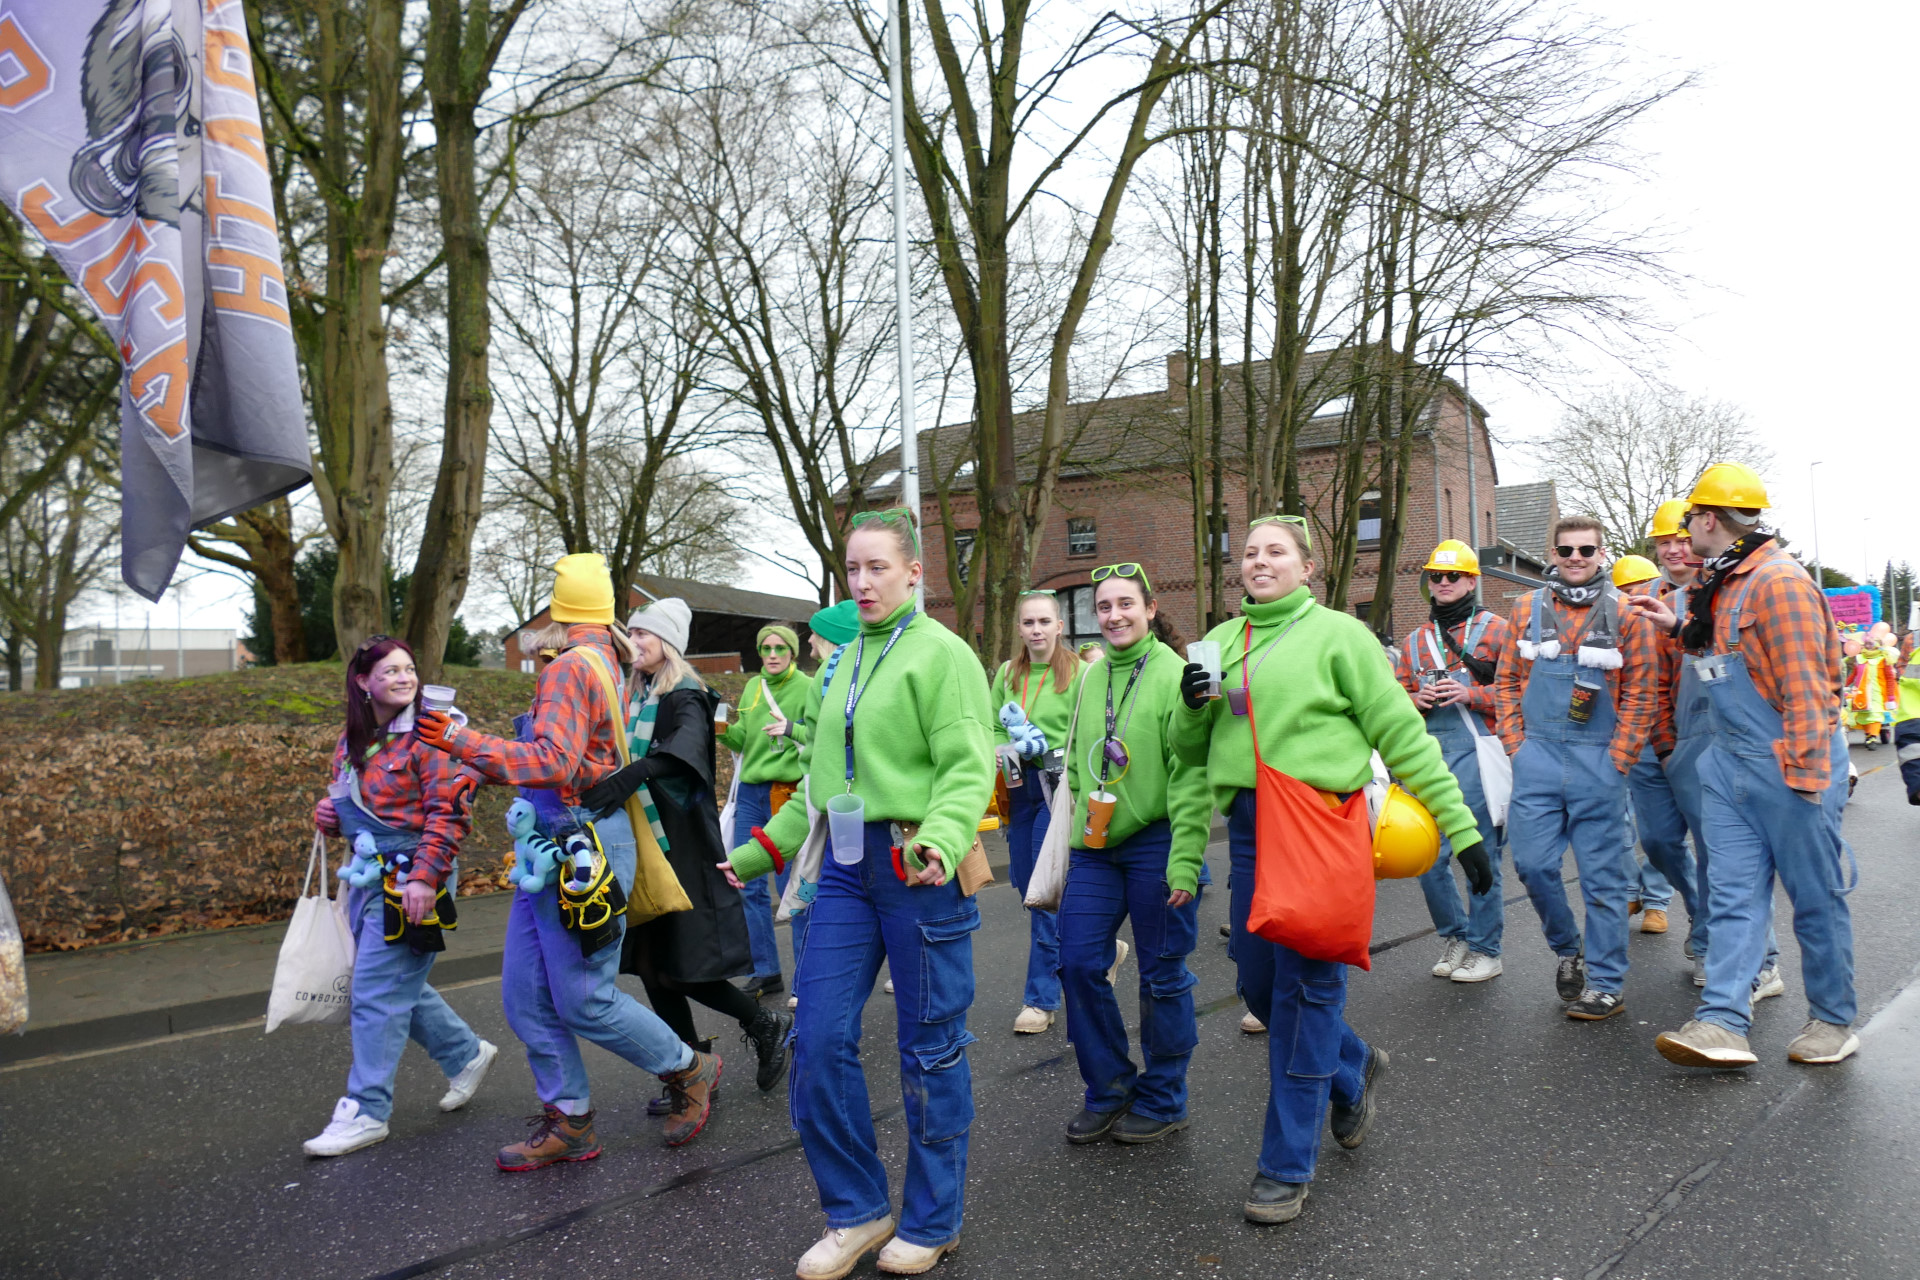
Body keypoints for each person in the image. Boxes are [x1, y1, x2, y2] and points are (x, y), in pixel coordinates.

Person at [1172, 516, 1487, 1226]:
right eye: (1249, 552)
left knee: (1305, 997)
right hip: (1250, 832)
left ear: (1307, 567)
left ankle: (1285, 1166)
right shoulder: (1219, 643)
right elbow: (1188, 754)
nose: (1259, 561)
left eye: (1276, 551)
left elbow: (1402, 735)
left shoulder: (1341, 636)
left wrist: (1461, 826)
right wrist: (1189, 709)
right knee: (1258, 985)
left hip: (1321, 827)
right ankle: (1352, 1069)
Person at [721, 508, 994, 1278]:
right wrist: (756, 853)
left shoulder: (942, 655)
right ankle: (858, 1210)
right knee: (818, 1040)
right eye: (854, 569)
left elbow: (967, 767)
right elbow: (818, 786)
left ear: (914, 572)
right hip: (842, 870)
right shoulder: (841, 662)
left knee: (930, 1048)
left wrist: (941, 838)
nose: (864, 582)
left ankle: (933, 1219)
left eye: (879, 567)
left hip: (917, 861)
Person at [415, 553, 721, 1165]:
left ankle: (690, 1068)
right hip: (558, 845)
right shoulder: (603, 660)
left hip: (579, 847)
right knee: (526, 998)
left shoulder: (570, 668)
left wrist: (457, 740)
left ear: (559, 609)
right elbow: (570, 755)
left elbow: (554, 762)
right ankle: (571, 1119)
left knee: (584, 998)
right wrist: (484, 764)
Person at [1637, 464, 1859, 1068]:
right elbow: (1720, 646)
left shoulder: (1779, 582)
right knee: (1731, 896)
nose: (1684, 532)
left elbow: (1809, 688)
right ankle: (1722, 1022)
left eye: (1689, 520)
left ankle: (1833, 1021)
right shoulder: (1725, 581)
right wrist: (1676, 627)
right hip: (1728, 763)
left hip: (1789, 768)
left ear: (1709, 519)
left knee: (1814, 899)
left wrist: (1806, 782)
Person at [587, 599, 793, 1098]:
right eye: (631, 632)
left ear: (668, 643)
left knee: (682, 968)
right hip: (643, 843)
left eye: (644, 633)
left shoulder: (687, 693)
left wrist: (636, 772)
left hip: (680, 844)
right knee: (652, 968)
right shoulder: (632, 695)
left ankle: (763, 1024)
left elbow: (686, 753)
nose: (634, 640)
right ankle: (692, 1067)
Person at [302, 637, 496, 1157]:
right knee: (390, 983)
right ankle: (464, 1054)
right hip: (368, 877)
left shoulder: (432, 734)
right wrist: (329, 815)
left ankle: (367, 1111)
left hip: (413, 877)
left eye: (408, 668)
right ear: (363, 681)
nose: (404, 678)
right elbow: (352, 802)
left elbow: (448, 813)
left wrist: (425, 880)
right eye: (390, 671)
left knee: (376, 992)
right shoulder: (354, 737)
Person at [1058, 565, 1209, 1145]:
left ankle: (1166, 1097)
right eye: (1104, 606)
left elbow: (1191, 774)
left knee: (1162, 974)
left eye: (1126, 604)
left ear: (1149, 609)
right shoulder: (1091, 675)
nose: (1114, 615)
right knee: (1076, 961)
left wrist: (1185, 859)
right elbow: (1078, 757)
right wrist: (1083, 811)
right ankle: (1110, 1087)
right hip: (1096, 846)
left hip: (1158, 840)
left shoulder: (1173, 673)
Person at [1493, 516, 1660, 1022]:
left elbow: (1642, 693)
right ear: (1553, 553)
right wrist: (1516, 747)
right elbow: (1506, 681)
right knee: (1532, 866)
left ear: (1601, 554)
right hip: (1536, 760)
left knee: (1603, 881)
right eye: (1566, 550)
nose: (1575, 559)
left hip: (1599, 763)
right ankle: (1569, 948)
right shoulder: (1525, 608)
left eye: (1586, 550)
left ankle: (1606, 985)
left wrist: (1619, 759)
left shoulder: (1628, 613)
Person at [1391, 540, 1512, 984]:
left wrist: (1471, 693)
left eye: (1453, 576)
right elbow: (1395, 699)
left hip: (1478, 755)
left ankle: (1486, 949)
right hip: (1427, 758)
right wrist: (1414, 700)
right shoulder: (1413, 641)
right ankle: (1456, 935)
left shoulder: (1499, 630)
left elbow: (1521, 692)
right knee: (1426, 858)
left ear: (1472, 581)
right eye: (1436, 576)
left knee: (1479, 855)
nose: (1443, 583)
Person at [990, 590, 1081, 1035]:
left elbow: (1088, 730)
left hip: (1058, 788)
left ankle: (1040, 999)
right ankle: (1100, 953)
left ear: (1059, 626)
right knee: (1027, 884)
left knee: (1044, 893)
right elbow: (992, 724)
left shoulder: (1080, 672)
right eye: (1029, 623)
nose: (1037, 630)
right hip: (1018, 786)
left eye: (1045, 621)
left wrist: (1053, 750)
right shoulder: (1008, 673)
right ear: (1020, 629)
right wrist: (1002, 747)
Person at [718, 622, 813, 998]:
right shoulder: (753, 686)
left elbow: (819, 738)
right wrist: (720, 729)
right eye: (766, 649)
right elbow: (742, 739)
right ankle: (766, 971)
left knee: (795, 887)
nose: (772, 655)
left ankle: (807, 979)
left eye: (780, 648)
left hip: (786, 794)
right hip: (750, 794)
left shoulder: (807, 687)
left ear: (792, 652)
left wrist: (791, 728)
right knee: (747, 885)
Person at [1612, 550, 1697, 945]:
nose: (1633, 596)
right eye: (1624, 591)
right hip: (1633, 738)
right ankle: (1632, 891)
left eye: (1638, 588)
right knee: (1638, 831)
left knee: (1694, 842)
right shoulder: (1615, 622)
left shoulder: (1675, 612)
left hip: (1680, 737)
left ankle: (1659, 903)